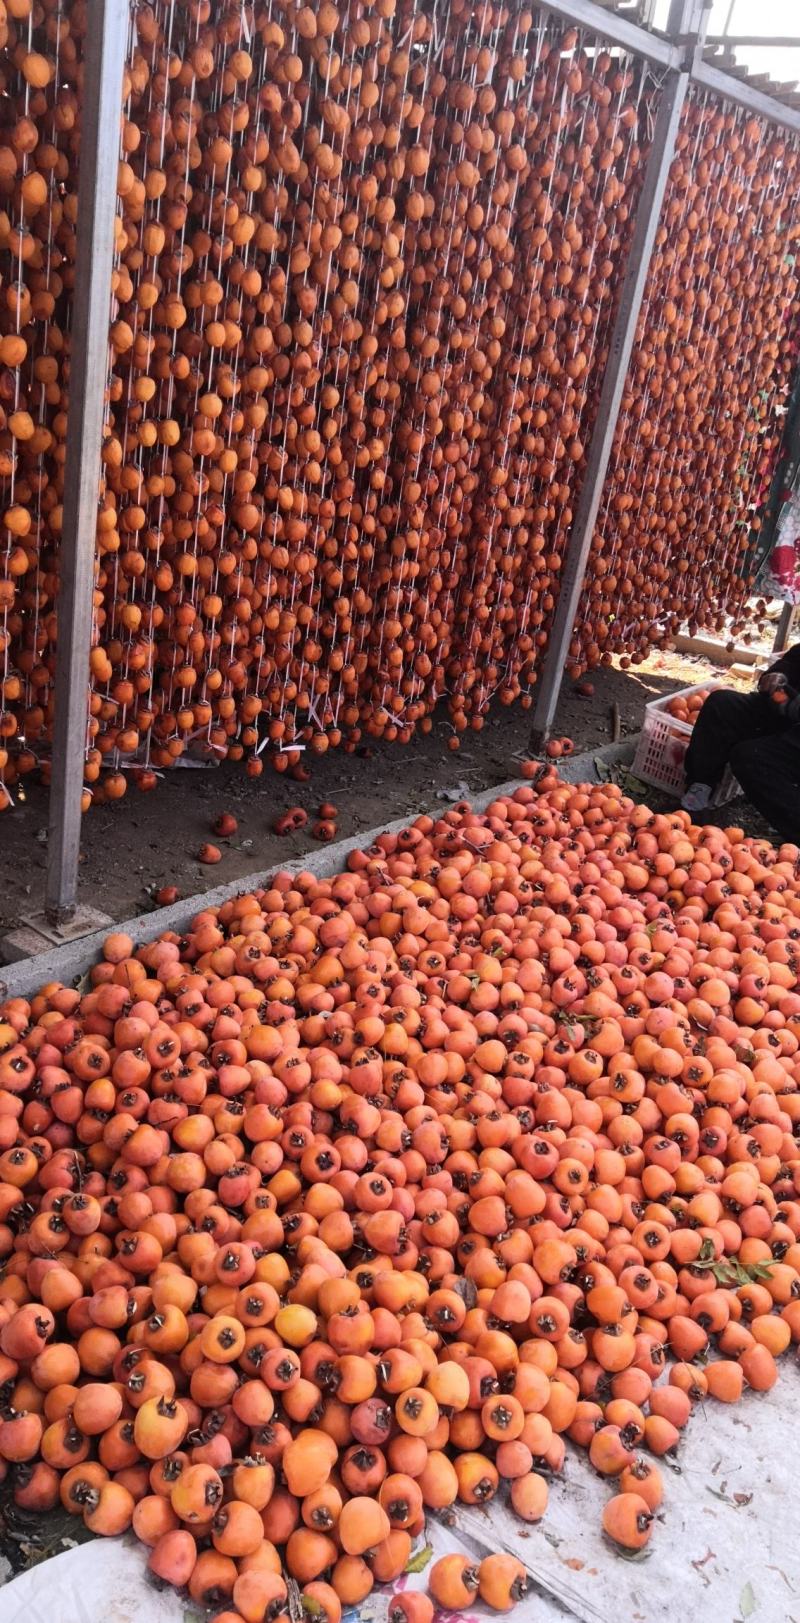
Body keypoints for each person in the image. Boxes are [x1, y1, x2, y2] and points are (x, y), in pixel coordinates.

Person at [682, 641, 800, 840]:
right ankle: (699, 791)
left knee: (750, 757)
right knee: (722, 705)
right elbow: (793, 662)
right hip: (787, 714)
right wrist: (777, 676)